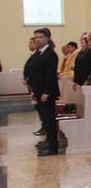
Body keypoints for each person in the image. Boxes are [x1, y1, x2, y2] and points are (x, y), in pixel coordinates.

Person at [28, 28, 60, 156]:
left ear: (47, 38)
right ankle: (48, 141)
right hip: (38, 91)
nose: (37, 39)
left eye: (40, 37)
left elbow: (50, 75)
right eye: (36, 37)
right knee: (45, 120)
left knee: (49, 119)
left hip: (46, 92)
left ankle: (53, 147)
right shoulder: (38, 52)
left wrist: (46, 92)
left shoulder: (50, 54)